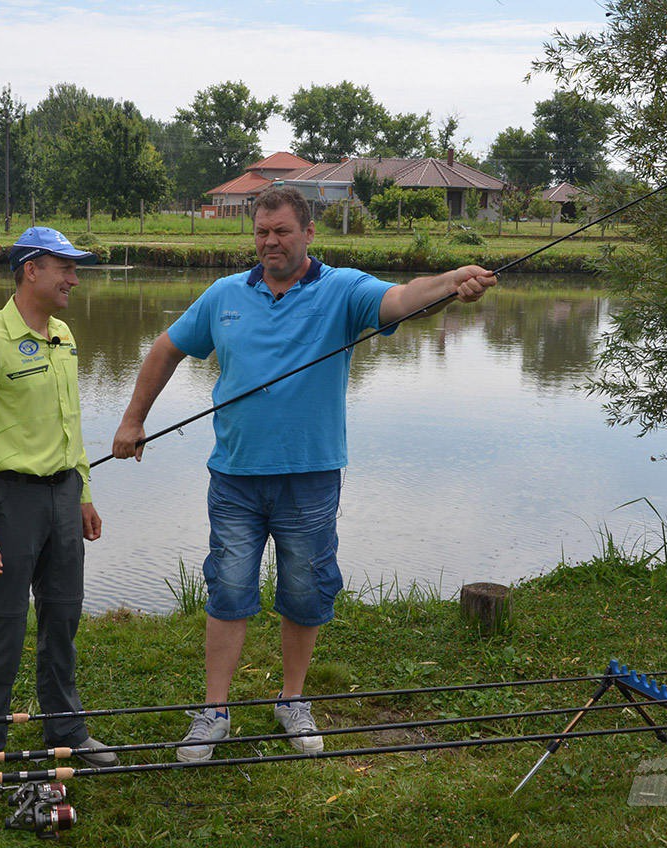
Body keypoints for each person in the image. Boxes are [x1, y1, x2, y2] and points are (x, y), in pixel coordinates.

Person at [111, 186, 496, 761]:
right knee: (228, 589)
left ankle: (292, 699)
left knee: (304, 591)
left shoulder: (341, 289)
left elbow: (402, 300)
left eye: (282, 231)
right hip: (235, 478)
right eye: (262, 232)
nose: (270, 242)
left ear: (308, 233)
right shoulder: (223, 296)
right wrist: (133, 419)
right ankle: (213, 712)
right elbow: (165, 348)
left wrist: (448, 283)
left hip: (311, 478)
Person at [0, 226, 117, 800]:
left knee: (63, 619)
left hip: (64, 496)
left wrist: (84, 492)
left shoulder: (64, 335)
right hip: (7, 501)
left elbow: (73, 424)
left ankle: (66, 732)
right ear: (31, 269)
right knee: (2, 624)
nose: (73, 278)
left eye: (75, 268)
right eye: (65, 267)